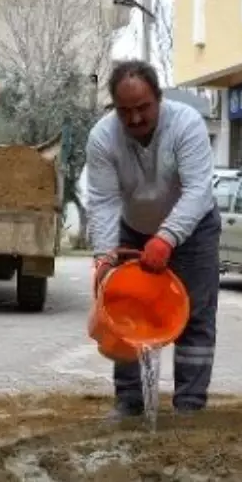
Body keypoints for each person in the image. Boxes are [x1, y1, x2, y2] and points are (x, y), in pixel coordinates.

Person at [85, 60, 220, 420]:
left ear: (158, 98)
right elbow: (103, 201)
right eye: (125, 111)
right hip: (133, 229)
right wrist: (104, 257)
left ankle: (189, 407)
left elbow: (197, 191)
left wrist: (167, 237)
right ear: (115, 107)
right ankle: (129, 402)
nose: (135, 119)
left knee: (196, 316)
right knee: (125, 311)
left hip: (195, 230)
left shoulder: (186, 124)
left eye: (143, 107)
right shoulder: (102, 138)